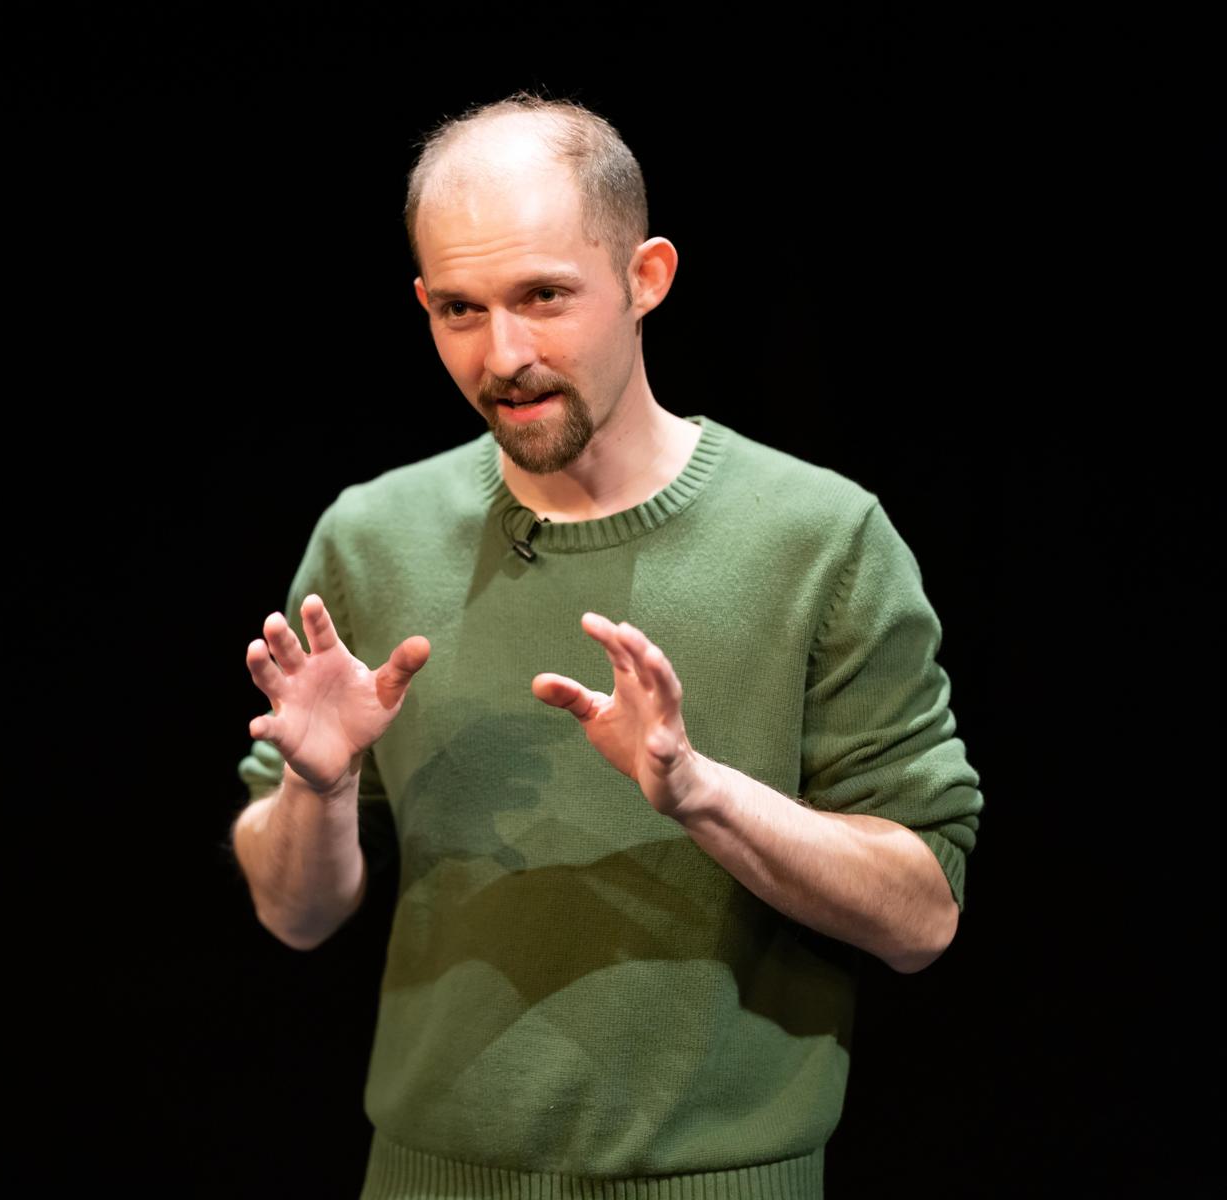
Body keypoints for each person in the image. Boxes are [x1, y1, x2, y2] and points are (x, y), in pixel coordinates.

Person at [229, 91, 983, 1198]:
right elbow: (295, 919)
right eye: (461, 310)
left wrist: (699, 794)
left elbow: (922, 918)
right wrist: (318, 785)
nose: (505, 355)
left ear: (646, 278)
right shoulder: (372, 538)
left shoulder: (819, 537)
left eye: (544, 296)